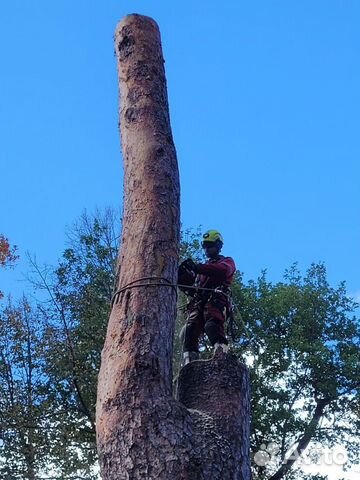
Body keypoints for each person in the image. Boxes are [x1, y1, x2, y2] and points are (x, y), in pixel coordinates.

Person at [178, 229, 236, 365]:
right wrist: (181, 276)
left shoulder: (226, 262)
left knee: (212, 325)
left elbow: (222, 272)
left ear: (218, 246)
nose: (207, 249)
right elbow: (191, 287)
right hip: (199, 303)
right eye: (205, 246)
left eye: (210, 245)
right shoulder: (202, 271)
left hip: (216, 301)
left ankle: (222, 355)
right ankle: (190, 363)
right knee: (188, 331)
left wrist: (197, 267)